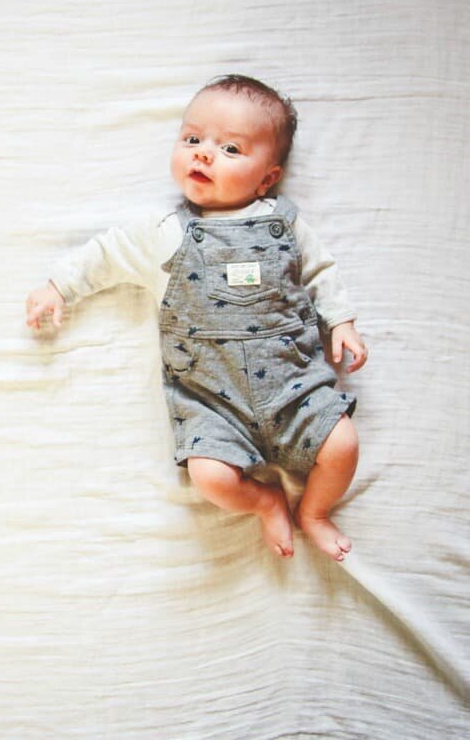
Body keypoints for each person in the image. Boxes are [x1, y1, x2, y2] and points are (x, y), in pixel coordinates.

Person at [25, 75, 368, 561]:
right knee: (210, 478)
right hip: (212, 402)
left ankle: (314, 512)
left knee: (343, 445)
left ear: (267, 178)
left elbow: (319, 271)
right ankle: (264, 502)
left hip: (295, 387)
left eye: (230, 149)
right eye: (192, 139)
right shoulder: (163, 232)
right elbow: (105, 254)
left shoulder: (284, 225)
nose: (203, 154)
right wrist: (59, 286)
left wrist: (342, 321)